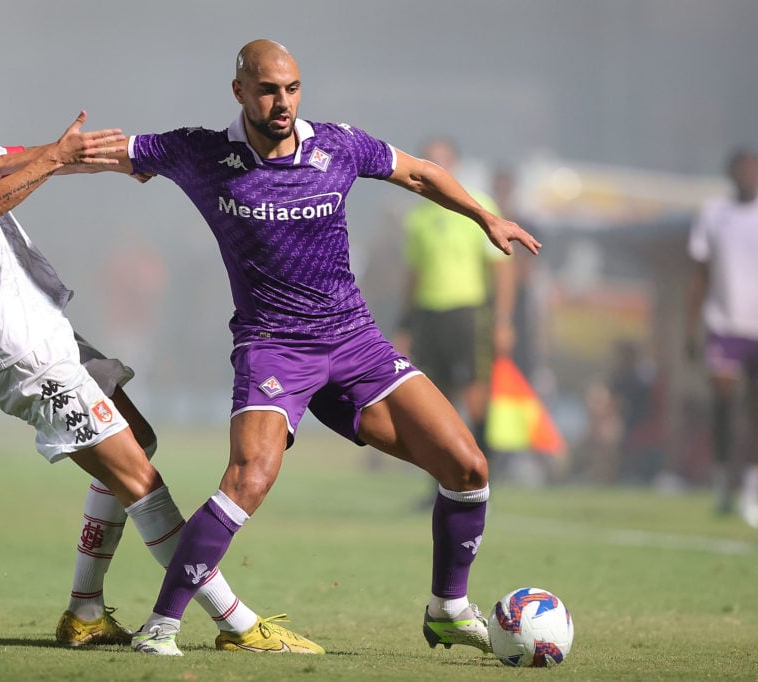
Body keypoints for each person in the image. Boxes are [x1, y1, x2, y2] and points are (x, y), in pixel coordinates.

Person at [84, 39, 540, 656]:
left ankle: (449, 608)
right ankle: (161, 627)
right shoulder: (201, 151)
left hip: (355, 342)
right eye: (269, 90)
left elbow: (420, 173)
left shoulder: (337, 145)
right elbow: (99, 151)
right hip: (274, 348)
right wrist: (5, 163)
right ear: (240, 90)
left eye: (293, 89)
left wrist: (486, 217)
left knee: (468, 468)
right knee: (249, 479)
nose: (283, 102)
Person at [0, 53, 319, 654]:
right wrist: (60, 157)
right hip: (24, 355)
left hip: (51, 338)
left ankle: (85, 611)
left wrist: (101, 157)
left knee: (138, 439)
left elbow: (4, 161)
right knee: (140, 477)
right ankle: (236, 624)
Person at [685, 147, 758, 528]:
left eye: (754, 169)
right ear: (732, 174)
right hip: (724, 323)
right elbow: (700, 273)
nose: (748, 175)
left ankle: (752, 493)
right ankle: (723, 486)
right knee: (722, 401)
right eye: (742, 169)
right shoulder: (713, 215)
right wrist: (691, 325)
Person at [395, 138, 516, 468]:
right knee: (435, 399)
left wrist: (503, 321)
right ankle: (442, 480)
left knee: (474, 392)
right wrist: (404, 325)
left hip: (467, 313)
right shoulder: (417, 217)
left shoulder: (477, 204)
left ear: (455, 165)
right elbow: (413, 276)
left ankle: (482, 473)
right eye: (430, 161)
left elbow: (502, 268)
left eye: (442, 161)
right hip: (428, 315)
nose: (436, 168)